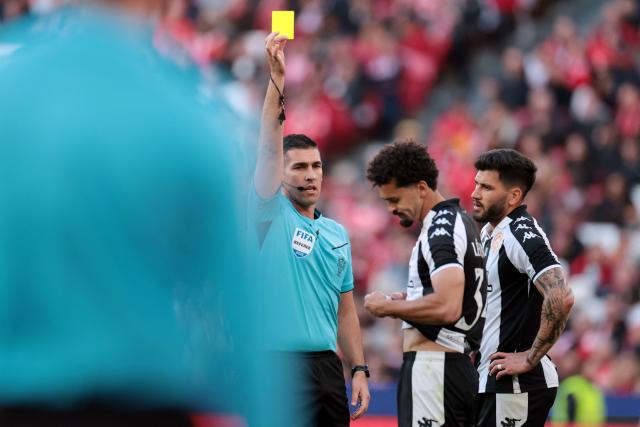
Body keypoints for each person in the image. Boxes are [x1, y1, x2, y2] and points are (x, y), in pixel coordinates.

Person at [0, 0, 261, 425]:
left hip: (20, 395)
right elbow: (246, 322)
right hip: (146, 399)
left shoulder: (9, 90)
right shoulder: (191, 114)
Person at [250, 32, 370, 427]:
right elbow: (269, 143)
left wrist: (358, 370)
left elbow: (346, 312)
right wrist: (277, 79)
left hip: (327, 370)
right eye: (299, 167)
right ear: (280, 174)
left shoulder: (337, 234)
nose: (310, 175)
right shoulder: (269, 213)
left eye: (316, 166)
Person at [364, 140, 487, 427]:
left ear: (421, 187)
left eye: (394, 199)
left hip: (433, 371)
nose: (391, 209)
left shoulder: (439, 230)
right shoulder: (461, 221)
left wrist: (390, 308)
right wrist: (411, 299)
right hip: (454, 368)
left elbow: (447, 305)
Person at [470, 148, 575, 427]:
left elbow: (561, 296)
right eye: (476, 183)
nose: (475, 193)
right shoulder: (490, 232)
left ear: (514, 196)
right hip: (491, 380)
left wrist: (530, 357)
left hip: (517, 385)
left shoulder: (520, 233)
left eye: (486, 187)